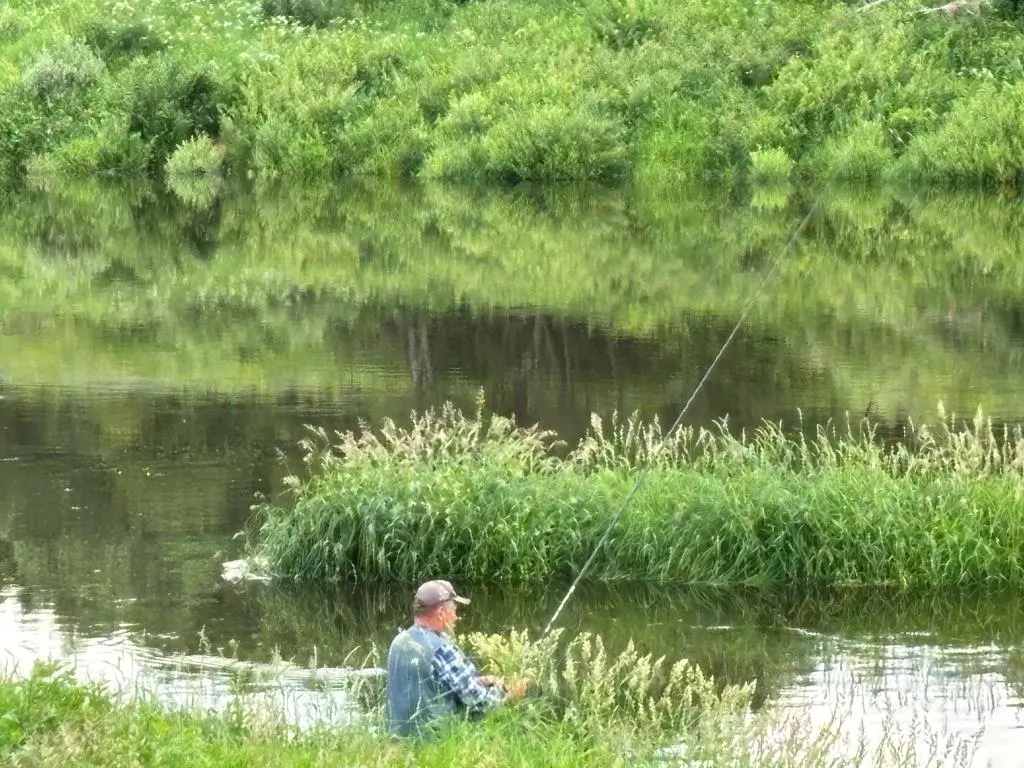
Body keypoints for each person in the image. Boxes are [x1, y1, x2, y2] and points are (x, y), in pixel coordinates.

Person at [385, 579, 527, 737]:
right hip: (433, 745)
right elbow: (480, 702)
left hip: (398, 740)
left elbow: (426, 683)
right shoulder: (442, 650)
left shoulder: (399, 641)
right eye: (453, 609)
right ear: (440, 612)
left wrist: (479, 681)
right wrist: (510, 691)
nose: (456, 617)